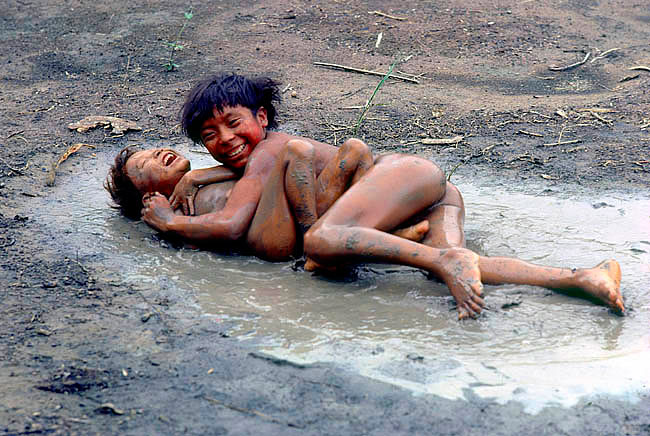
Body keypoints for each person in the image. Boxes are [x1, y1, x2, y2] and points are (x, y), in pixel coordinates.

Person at [109, 72, 625, 318]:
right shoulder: (216, 176)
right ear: (142, 193)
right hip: (427, 192)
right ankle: (582, 279)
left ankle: (436, 256)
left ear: (260, 119)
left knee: (326, 241)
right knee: (465, 262)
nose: (163, 156)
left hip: (406, 176)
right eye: (145, 165)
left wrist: (170, 222)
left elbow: (236, 223)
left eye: (232, 125)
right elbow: (233, 200)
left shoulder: (265, 153)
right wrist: (193, 187)